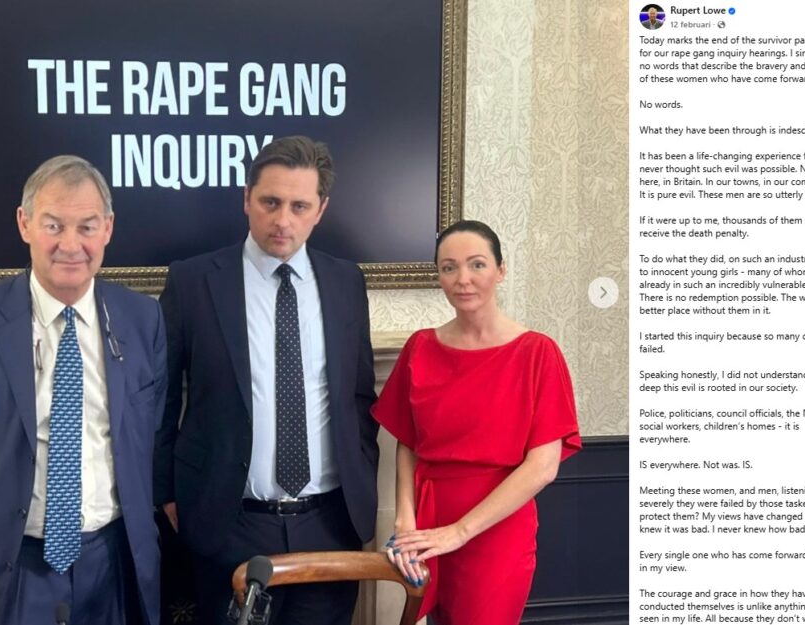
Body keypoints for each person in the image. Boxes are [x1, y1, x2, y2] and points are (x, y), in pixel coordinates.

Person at [0, 155, 167, 625]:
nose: (71, 245)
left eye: (86, 227)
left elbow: (148, 431)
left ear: (108, 229)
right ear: (24, 223)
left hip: (114, 561)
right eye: (53, 225)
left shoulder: (142, 319)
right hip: (6, 564)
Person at [153, 135, 379, 625]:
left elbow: (359, 395)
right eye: (270, 202)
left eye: (299, 206)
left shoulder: (346, 281)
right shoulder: (193, 281)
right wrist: (167, 493)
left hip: (329, 523)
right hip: (227, 522)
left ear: (320, 209)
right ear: (246, 199)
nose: (282, 220)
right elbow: (162, 398)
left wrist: (361, 480)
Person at [374, 220, 582, 624]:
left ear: (501, 270)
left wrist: (460, 531)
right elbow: (408, 443)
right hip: (429, 522)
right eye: (449, 267)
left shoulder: (537, 353)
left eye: (477, 264)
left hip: (496, 530)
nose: (463, 279)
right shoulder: (420, 346)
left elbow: (543, 467)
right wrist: (405, 519)